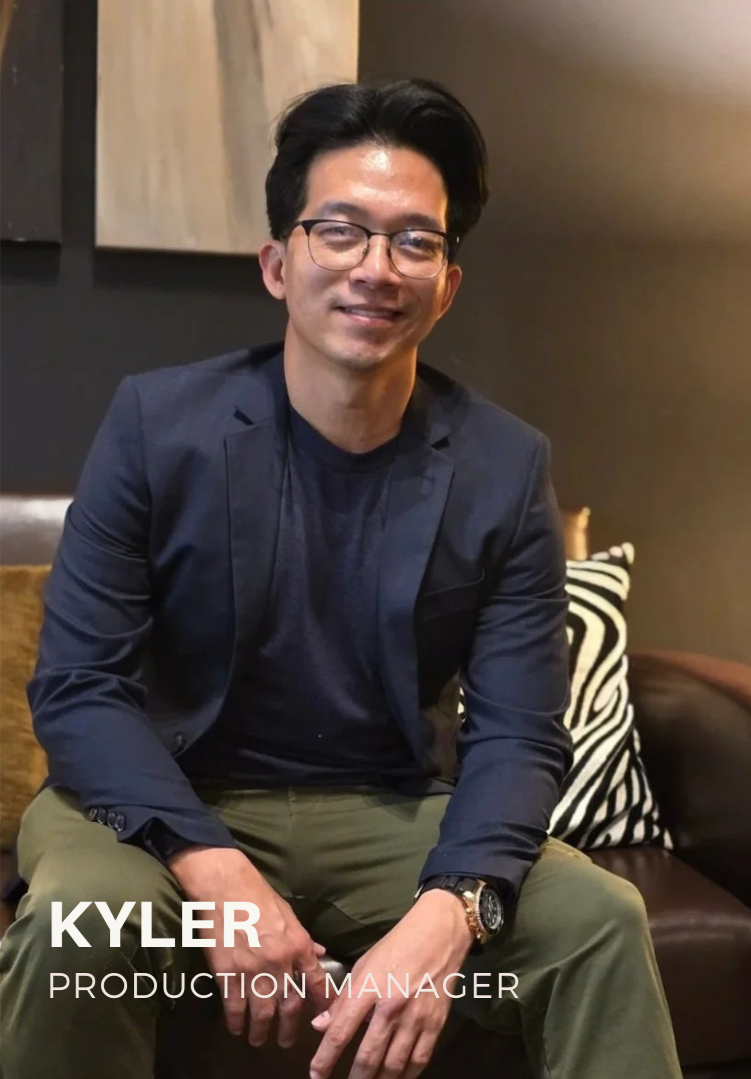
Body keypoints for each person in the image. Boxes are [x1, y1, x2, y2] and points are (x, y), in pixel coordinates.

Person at [0, 78, 681, 1079]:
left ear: (447, 282)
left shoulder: (504, 465)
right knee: (74, 921)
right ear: (279, 263)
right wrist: (217, 868)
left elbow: (520, 730)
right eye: (342, 232)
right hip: (162, 802)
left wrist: (453, 905)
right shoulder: (156, 425)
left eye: (415, 240)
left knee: (598, 918)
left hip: (388, 807)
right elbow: (79, 687)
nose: (377, 268)